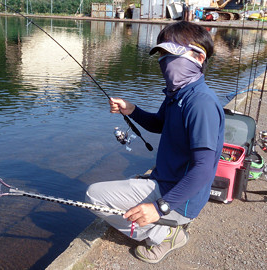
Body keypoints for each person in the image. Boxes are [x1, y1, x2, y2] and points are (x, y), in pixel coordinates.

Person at [85, 21, 225, 264]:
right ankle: (163, 217)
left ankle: (165, 233)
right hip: (167, 182)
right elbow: (159, 124)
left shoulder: (200, 103)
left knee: (93, 195)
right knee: (119, 190)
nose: (164, 62)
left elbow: (203, 169)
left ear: (199, 57)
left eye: (171, 54)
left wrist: (159, 208)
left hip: (180, 198)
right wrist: (132, 110)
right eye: (161, 54)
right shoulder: (178, 93)